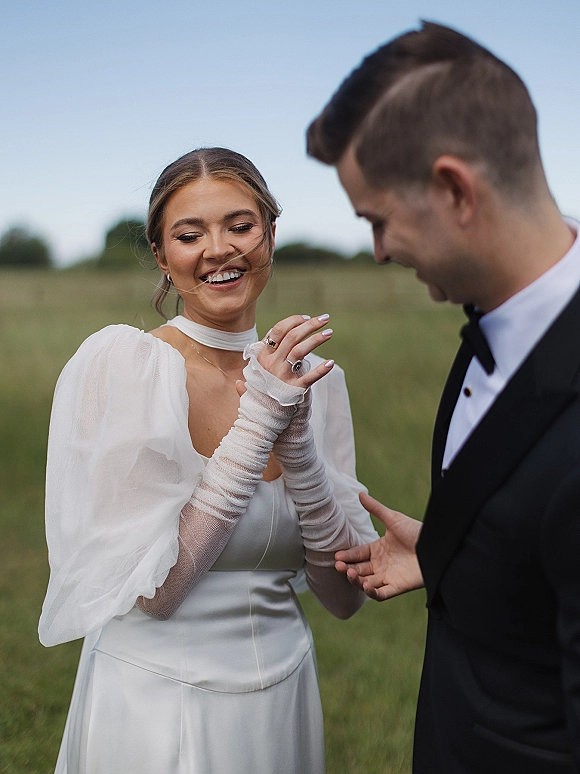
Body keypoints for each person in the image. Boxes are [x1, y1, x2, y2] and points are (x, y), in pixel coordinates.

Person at [38, 147, 378, 773]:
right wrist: (258, 425)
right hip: (156, 701)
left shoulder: (316, 382)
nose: (219, 249)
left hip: (282, 702)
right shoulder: (126, 367)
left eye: (240, 225)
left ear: (270, 235)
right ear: (163, 256)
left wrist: (299, 453)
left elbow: (343, 597)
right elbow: (158, 593)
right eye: (189, 234)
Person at [307, 20, 580, 774]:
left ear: (455, 189)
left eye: (378, 221)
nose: (378, 251)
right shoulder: (493, 328)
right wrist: (457, 552)